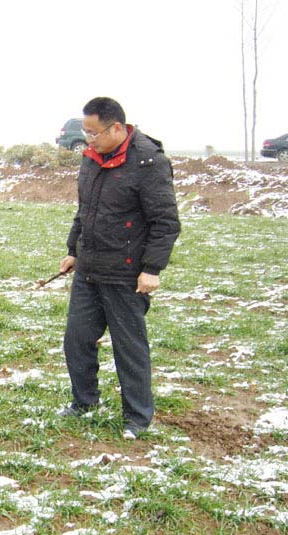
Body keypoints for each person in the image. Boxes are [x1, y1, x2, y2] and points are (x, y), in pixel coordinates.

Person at [58, 97, 180, 440]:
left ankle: (137, 417)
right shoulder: (91, 158)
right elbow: (85, 211)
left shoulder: (148, 162)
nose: (88, 139)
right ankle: (84, 401)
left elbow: (165, 222)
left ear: (116, 128)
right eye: (85, 132)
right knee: (77, 339)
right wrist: (73, 250)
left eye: (93, 132)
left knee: (129, 348)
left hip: (126, 274)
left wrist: (152, 268)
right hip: (89, 269)